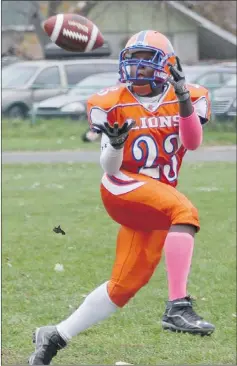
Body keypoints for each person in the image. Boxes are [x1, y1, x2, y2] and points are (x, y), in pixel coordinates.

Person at [29, 30, 215, 365]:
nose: (137, 70)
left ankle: (54, 336)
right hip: (121, 186)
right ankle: (178, 306)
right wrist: (114, 144)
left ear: (166, 66)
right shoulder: (112, 101)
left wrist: (184, 97)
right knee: (184, 212)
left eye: (146, 63)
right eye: (133, 61)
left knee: (124, 285)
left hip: (157, 198)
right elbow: (109, 166)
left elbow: (192, 143)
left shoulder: (189, 96)